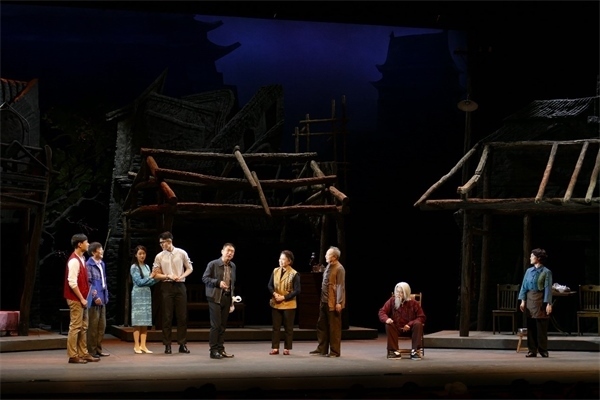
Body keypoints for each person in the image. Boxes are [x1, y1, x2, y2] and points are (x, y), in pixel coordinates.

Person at [152, 231, 193, 354]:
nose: (161, 245)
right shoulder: (159, 256)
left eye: (162, 243)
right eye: (160, 243)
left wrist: (181, 276)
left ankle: (182, 344)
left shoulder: (181, 253)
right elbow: (155, 274)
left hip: (180, 285)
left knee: (182, 316)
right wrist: (167, 275)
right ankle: (167, 345)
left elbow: (190, 268)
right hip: (167, 285)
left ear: (169, 241)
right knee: (167, 316)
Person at [63, 233, 99, 364]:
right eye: (86, 242)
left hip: (83, 298)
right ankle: (73, 355)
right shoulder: (74, 261)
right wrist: (81, 298)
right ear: (79, 244)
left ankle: (83, 353)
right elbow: (72, 283)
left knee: (84, 327)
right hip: (75, 299)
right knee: (75, 326)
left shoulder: (82, 259)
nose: (88, 244)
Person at [309, 246, 345, 357]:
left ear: (334, 257)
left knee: (334, 328)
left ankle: (334, 351)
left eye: (327, 254)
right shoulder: (329, 265)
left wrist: (339, 302)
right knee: (322, 326)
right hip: (324, 301)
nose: (325, 256)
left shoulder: (339, 268)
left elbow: (340, 286)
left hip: (333, 303)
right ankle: (322, 349)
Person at [202, 242, 237, 359]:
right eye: (228, 250)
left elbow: (232, 284)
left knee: (223, 325)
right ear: (222, 251)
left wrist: (232, 299)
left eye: (232, 251)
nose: (230, 253)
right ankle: (213, 350)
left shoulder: (233, 266)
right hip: (215, 297)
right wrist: (218, 282)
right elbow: (205, 278)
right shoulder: (213, 264)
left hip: (226, 297)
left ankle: (221, 349)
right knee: (216, 325)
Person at [518, 248, 553, 358]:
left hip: (540, 299)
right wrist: (523, 300)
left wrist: (548, 303)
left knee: (541, 327)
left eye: (532, 256)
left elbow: (548, 288)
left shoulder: (546, 272)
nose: (530, 258)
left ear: (538, 258)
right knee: (531, 326)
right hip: (530, 300)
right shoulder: (529, 271)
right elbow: (524, 286)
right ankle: (532, 350)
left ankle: (543, 350)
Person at [378, 281, 426, 360]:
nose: (398, 294)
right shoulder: (392, 301)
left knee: (418, 324)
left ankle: (415, 351)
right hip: (397, 328)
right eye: (397, 292)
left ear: (406, 293)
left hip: (411, 329)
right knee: (388, 324)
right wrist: (386, 319)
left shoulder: (414, 303)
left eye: (401, 292)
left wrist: (410, 324)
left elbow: (421, 317)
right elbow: (382, 312)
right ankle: (394, 351)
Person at [130, 245, 163, 354]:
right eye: (140, 254)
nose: (142, 256)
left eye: (143, 253)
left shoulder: (147, 267)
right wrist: (151, 277)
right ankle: (136, 345)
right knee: (137, 321)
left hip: (146, 294)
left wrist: (157, 278)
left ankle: (143, 345)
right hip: (138, 295)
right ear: (136, 255)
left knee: (145, 321)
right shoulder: (134, 267)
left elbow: (150, 282)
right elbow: (139, 282)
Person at [268, 250, 301, 355]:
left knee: (288, 328)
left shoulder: (294, 273)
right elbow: (269, 285)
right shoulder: (275, 271)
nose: (281, 261)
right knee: (276, 327)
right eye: (280, 259)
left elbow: (297, 290)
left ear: (289, 261)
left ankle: (287, 348)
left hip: (288, 304)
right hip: (276, 302)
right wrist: (274, 294)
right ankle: (275, 347)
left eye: (283, 259)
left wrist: (284, 297)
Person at [86, 242, 110, 358]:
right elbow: (89, 283)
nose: (102, 251)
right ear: (93, 252)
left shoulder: (102, 264)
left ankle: (98, 349)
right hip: (94, 300)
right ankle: (91, 351)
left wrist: (106, 296)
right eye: (100, 249)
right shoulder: (89, 265)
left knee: (102, 326)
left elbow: (104, 281)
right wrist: (95, 297)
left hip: (103, 298)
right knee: (93, 327)